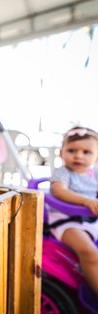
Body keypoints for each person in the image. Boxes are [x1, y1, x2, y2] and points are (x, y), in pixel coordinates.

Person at [49, 126, 98, 295]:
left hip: (90, 220)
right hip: (67, 220)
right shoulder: (63, 172)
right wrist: (87, 201)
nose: (78, 155)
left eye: (86, 152)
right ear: (61, 153)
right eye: (71, 150)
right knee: (89, 252)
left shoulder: (95, 173)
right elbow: (59, 191)